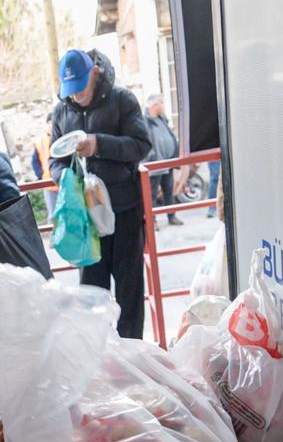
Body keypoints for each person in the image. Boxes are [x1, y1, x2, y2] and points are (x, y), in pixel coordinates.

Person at [48, 48, 152, 338]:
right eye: (70, 89)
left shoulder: (122, 100)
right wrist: (68, 180)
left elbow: (141, 145)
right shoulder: (61, 111)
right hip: (84, 219)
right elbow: (53, 160)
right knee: (91, 293)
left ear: (94, 72)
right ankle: (97, 354)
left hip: (124, 210)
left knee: (129, 287)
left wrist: (99, 144)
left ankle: (132, 353)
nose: (76, 95)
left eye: (80, 87)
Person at [144, 92, 182, 227]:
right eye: (161, 102)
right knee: (152, 194)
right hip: (154, 164)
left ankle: (172, 216)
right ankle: (152, 221)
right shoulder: (144, 120)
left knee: (168, 191)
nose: (163, 105)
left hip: (167, 162)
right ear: (155, 105)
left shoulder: (162, 119)